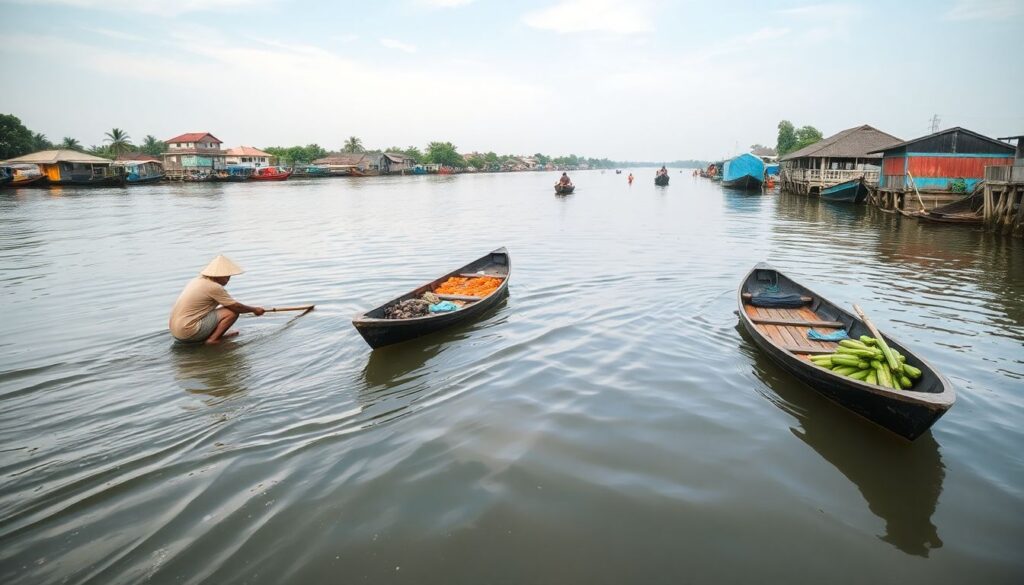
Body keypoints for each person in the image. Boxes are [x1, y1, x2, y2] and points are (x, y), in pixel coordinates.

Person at [168, 255, 265, 344]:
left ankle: (214, 335)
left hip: (176, 332)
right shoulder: (213, 287)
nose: (228, 279)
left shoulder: (196, 281)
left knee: (225, 308)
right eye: (227, 276)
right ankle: (213, 339)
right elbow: (236, 307)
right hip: (188, 331)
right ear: (218, 275)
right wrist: (255, 310)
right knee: (232, 312)